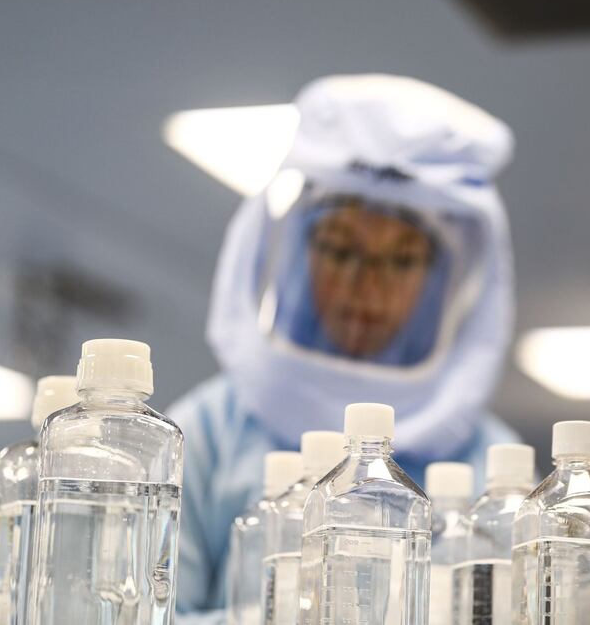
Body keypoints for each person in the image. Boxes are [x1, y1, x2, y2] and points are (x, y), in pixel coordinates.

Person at [169, 73, 521, 623]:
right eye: (338, 249)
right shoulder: (208, 432)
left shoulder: (492, 465)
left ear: (440, 282)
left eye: (401, 260)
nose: (365, 285)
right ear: (299, 255)